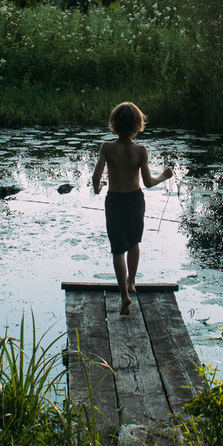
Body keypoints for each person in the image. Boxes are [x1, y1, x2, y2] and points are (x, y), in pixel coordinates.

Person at [91, 102, 173, 315]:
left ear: (114, 125)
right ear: (137, 125)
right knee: (134, 243)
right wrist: (164, 176)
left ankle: (123, 296)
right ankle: (132, 282)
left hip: (115, 201)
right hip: (135, 201)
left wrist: (98, 188)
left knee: (117, 249)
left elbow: (95, 177)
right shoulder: (141, 151)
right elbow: (147, 182)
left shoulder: (107, 148)